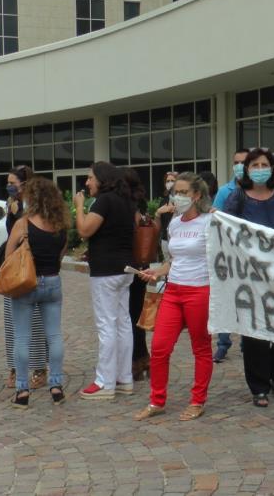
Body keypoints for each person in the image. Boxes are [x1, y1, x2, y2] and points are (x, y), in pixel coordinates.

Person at [223, 148, 274, 407]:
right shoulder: (238, 197)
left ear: (272, 167)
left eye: (263, 164)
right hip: (249, 275)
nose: (259, 168)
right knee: (254, 330)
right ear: (246, 169)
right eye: (254, 164)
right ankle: (258, 386)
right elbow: (225, 226)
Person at [134, 173, 214, 421]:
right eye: (175, 192)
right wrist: (157, 272)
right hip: (173, 291)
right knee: (159, 347)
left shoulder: (210, 222)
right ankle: (157, 401)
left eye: (183, 192)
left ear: (197, 195)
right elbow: (173, 259)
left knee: (200, 347)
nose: (177, 197)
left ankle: (197, 400)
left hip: (199, 291)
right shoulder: (175, 223)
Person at [74, 162, 140, 400]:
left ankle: (105, 382)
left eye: (90, 177)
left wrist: (80, 207)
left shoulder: (104, 200)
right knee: (123, 322)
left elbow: (84, 230)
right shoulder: (126, 200)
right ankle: (124, 378)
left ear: (102, 179)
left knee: (107, 325)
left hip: (106, 271)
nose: (87, 182)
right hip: (125, 268)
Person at [5, 177, 70, 409]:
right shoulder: (61, 224)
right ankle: (56, 385)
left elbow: (9, 256)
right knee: (54, 336)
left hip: (26, 284)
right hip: (52, 281)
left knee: (22, 337)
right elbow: (60, 256)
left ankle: (22, 390)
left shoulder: (22, 224)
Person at [3, 166, 49, 390]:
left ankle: (40, 367)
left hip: (35, 265)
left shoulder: (36, 204)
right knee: (12, 322)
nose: (10, 186)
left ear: (25, 183)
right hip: (15, 266)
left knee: (37, 322)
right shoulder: (10, 204)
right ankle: (14, 367)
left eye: (13, 182)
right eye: (8, 182)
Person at [211, 148, 248, 363]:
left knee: (246, 299)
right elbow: (216, 220)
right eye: (236, 162)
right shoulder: (225, 191)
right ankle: (223, 344)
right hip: (227, 254)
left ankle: (248, 342)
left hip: (248, 257)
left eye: (243, 162)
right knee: (226, 299)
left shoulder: (258, 191)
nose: (239, 166)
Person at [123, 167, 152, 382]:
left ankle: (135, 361)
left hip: (130, 266)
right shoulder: (140, 204)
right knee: (137, 315)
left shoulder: (127, 206)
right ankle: (143, 358)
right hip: (142, 264)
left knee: (129, 316)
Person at [157, 171, 178, 260]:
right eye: (167, 181)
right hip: (165, 239)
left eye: (172, 180)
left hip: (179, 238)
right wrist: (158, 213)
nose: (170, 183)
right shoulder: (163, 201)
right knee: (167, 264)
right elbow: (159, 224)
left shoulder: (183, 200)